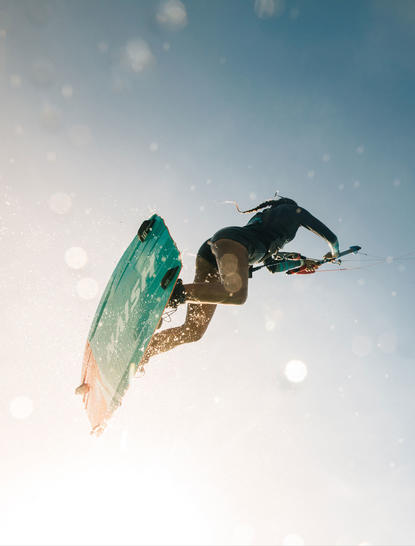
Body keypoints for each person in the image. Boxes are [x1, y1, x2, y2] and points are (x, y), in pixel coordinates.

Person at [143, 196, 339, 363]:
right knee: (235, 294)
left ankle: (146, 350)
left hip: (217, 248)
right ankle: (171, 295)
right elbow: (331, 237)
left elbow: (273, 266)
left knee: (193, 330)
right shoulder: (293, 210)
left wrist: (301, 264)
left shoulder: (268, 227)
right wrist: (334, 252)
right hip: (235, 244)